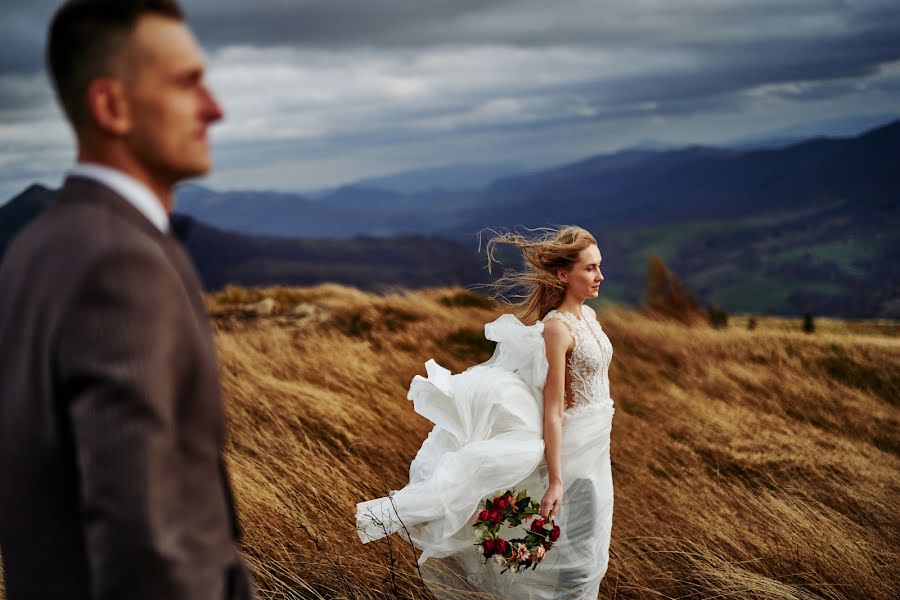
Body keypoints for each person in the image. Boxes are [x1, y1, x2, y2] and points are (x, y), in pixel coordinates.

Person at [0, 1, 253, 598]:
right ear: (111, 106)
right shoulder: (122, 266)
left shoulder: (36, 249)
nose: (215, 109)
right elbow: (143, 544)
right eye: (188, 83)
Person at [357, 226, 615, 599]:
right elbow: (554, 408)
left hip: (598, 445)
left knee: (594, 550)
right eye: (590, 269)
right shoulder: (557, 330)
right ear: (563, 275)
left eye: (599, 267)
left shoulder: (590, 319)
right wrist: (556, 479)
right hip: (575, 446)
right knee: (576, 559)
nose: (600, 276)